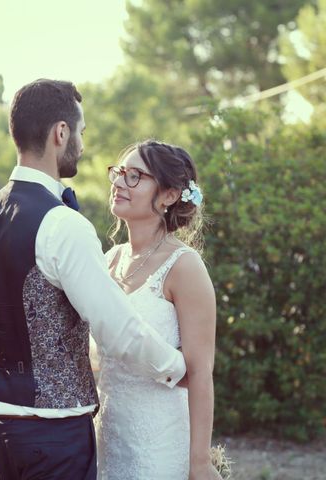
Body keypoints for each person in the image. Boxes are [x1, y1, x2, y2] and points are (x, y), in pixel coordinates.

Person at [0, 80, 188, 480]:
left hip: (1, 427)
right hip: (55, 434)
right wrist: (174, 365)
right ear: (60, 133)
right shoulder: (63, 224)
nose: (81, 144)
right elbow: (116, 328)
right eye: (80, 132)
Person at [94, 140, 222, 480]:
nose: (119, 182)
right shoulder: (108, 261)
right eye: (120, 173)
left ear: (168, 195)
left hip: (159, 444)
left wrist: (199, 462)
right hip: (106, 437)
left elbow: (200, 373)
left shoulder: (184, 267)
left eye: (135, 176)